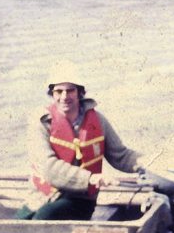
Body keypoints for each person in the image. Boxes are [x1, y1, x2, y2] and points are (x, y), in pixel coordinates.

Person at [16, 61, 143, 220]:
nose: (64, 97)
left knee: (42, 219)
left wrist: (149, 163)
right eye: (59, 91)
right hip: (42, 195)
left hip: (80, 198)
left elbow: (121, 156)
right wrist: (90, 178)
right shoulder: (41, 122)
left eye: (70, 90)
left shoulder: (98, 121)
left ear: (80, 92)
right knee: (17, 224)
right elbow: (48, 168)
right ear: (52, 93)